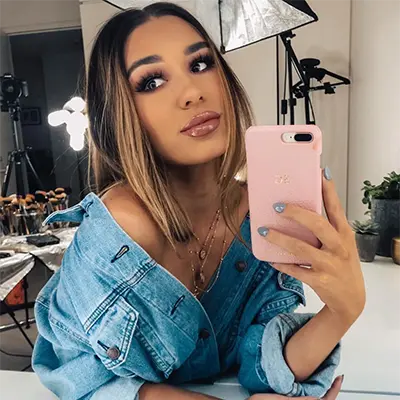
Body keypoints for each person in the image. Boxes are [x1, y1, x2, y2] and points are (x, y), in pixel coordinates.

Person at [32, 3, 365, 400]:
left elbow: (260, 362)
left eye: (201, 64)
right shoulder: (121, 228)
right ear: (119, 115)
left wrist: (342, 310)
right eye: (152, 81)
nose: (193, 93)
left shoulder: (262, 216)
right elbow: (76, 377)